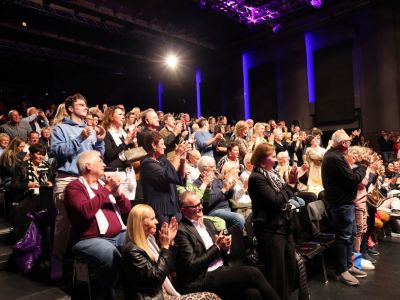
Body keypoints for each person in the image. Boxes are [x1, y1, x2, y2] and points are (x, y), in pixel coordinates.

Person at [175, 191, 280, 300]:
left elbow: (219, 252)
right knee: (253, 273)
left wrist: (225, 247)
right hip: (203, 277)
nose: (200, 207)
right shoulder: (181, 231)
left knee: (253, 294)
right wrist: (217, 246)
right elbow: (192, 265)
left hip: (222, 268)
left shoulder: (207, 223)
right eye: (194, 206)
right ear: (183, 210)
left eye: (200, 203)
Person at [50, 93, 106, 280]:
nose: (85, 107)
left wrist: (99, 141)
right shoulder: (60, 128)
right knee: (64, 221)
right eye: (81, 104)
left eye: (85, 104)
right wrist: (79, 139)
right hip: (67, 178)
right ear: (70, 109)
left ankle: (84, 263)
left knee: (91, 219)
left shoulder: (88, 129)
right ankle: (57, 260)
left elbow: (96, 157)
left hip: (88, 179)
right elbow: (56, 152)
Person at [64, 150, 131, 300]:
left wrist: (118, 193)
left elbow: (127, 209)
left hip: (119, 234)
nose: (104, 164)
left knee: (141, 243)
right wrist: (107, 189)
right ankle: (109, 295)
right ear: (88, 166)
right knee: (110, 254)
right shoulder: (74, 188)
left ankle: (135, 292)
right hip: (88, 239)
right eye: (100, 161)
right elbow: (85, 212)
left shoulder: (102, 185)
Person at [122, 204, 220, 300]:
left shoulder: (149, 240)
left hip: (164, 293)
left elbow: (169, 268)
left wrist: (170, 243)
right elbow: (156, 279)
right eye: (152, 219)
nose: (156, 221)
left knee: (212, 296)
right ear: (139, 223)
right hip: (155, 297)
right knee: (211, 297)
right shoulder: (132, 251)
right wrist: (165, 246)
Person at [247, 143, 301, 300]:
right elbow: (276, 200)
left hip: (283, 225)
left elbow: (287, 193)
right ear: (263, 159)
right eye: (272, 156)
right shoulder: (256, 178)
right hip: (270, 229)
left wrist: (293, 182)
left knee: (290, 268)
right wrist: (290, 185)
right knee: (278, 273)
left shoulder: (273, 174)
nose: (275, 159)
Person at [321, 129, 369, 286]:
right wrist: (363, 166)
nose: (350, 144)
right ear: (343, 143)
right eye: (348, 141)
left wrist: (356, 169)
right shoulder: (335, 158)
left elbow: (347, 176)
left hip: (344, 203)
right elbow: (352, 179)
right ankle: (341, 271)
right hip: (340, 204)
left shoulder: (335, 156)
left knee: (350, 234)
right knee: (343, 237)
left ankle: (348, 265)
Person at [140, 131, 190, 224]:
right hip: (160, 209)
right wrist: (177, 155)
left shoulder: (163, 159)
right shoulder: (147, 163)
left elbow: (178, 178)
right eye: (162, 144)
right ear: (154, 145)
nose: (164, 147)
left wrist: (182, 161)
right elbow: (168, 175)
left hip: (173, 205)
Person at [11, 144, 54, 240]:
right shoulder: (22, 166)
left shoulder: (47, 166)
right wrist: (27, 185)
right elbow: (13, 185)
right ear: (31, 154)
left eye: (43, 154)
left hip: (44, 198)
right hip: (27, 197)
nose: (41, 156)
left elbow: (52, 182)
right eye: (38, 154)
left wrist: (51, 184)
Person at [193, 156, 245, 230]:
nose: (215, 169)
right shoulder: (197, 184)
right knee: (239, 219)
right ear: (204, 169)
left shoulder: (216, 180)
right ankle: (228, 236)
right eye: (212, 167)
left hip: (227, 208)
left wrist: (231, 188)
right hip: (214, 211)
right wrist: (223, 190)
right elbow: (207, 204)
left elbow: (228, 197)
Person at [103, 106, 138, 200]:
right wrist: (125, 143)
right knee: (116, 206)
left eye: (123, 114)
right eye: (120, 114)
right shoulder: (106, 133)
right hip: (115, 173)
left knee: (128, 206)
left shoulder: (124, 133)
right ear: (111, 117)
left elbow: (129, 153)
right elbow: (109, 155)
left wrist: (132, 142)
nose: (123, 117)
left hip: (128, 172)